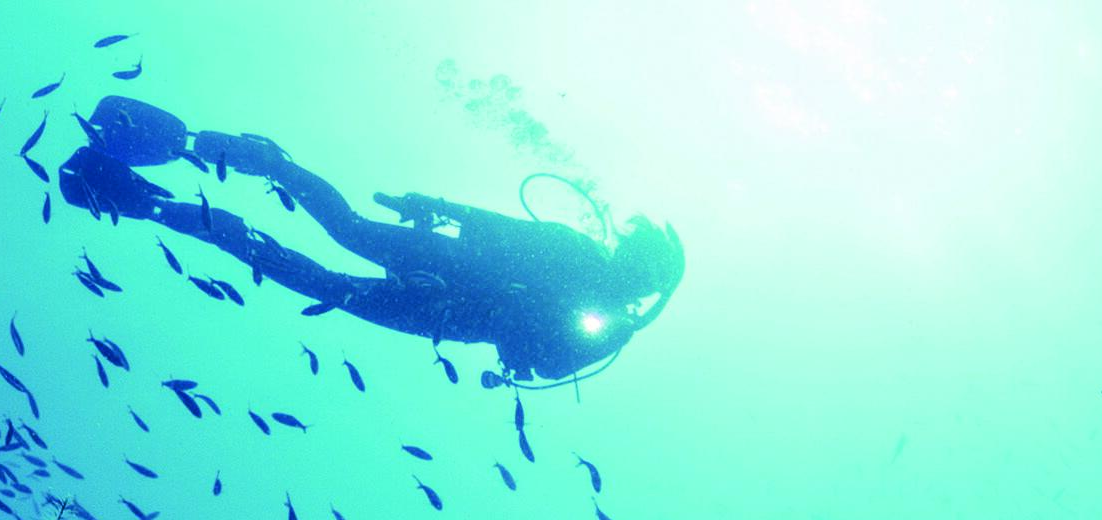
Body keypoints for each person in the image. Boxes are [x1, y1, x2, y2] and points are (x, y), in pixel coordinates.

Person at [59, 96, 682, 385]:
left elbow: (538, 362)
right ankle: (208, 153)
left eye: (636, 259)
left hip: (448, 308)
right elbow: (508, 231)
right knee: (342, 240)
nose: (625, 260)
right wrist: (434, 207)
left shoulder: (612, 325)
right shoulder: (585, 260)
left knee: (329, 274)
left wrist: (439, 211)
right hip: (450, 291)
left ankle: (166, 200)